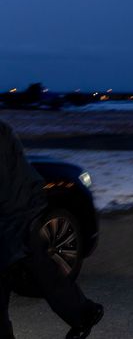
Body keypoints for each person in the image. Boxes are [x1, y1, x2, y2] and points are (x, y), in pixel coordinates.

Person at [1, 121, 104, 339]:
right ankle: (84, 313)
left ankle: (84, 314)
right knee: (41, 269)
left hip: (14, 213)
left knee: (41, 269)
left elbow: (6, 181)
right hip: (15, 212)